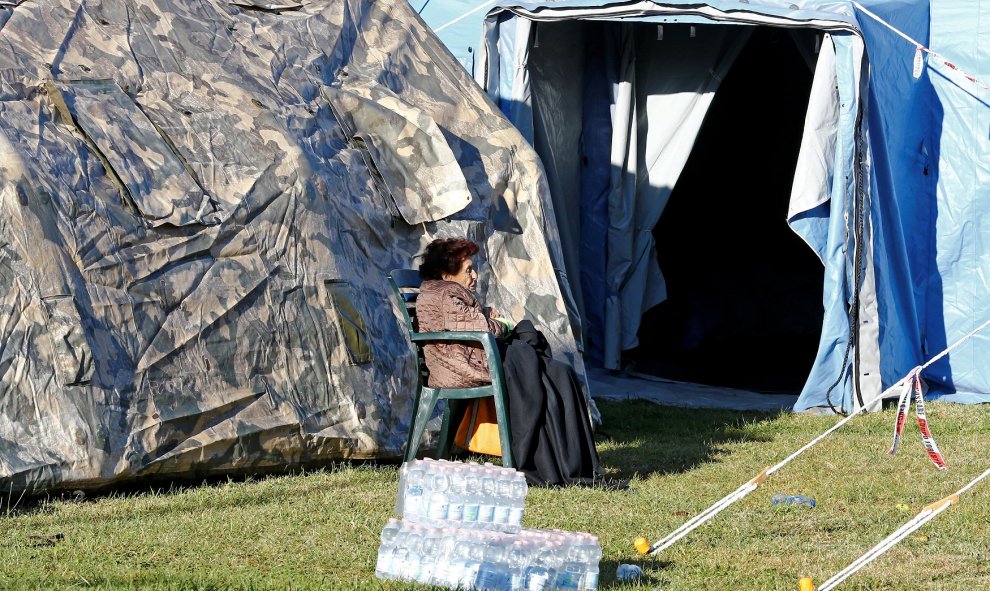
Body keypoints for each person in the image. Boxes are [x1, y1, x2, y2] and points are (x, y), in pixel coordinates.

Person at [416, 237, 618, 488]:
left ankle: (565, 459)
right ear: (447, 275)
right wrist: (505, 324)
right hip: (464, 367)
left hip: (469, 359)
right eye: (468, 269)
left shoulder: (444, 292)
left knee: (556, 373)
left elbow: (468, 321)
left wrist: (486, 315)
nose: (475, 275)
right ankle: (556, 461)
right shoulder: (447, 293)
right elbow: (483, 328)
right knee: (545, 372)